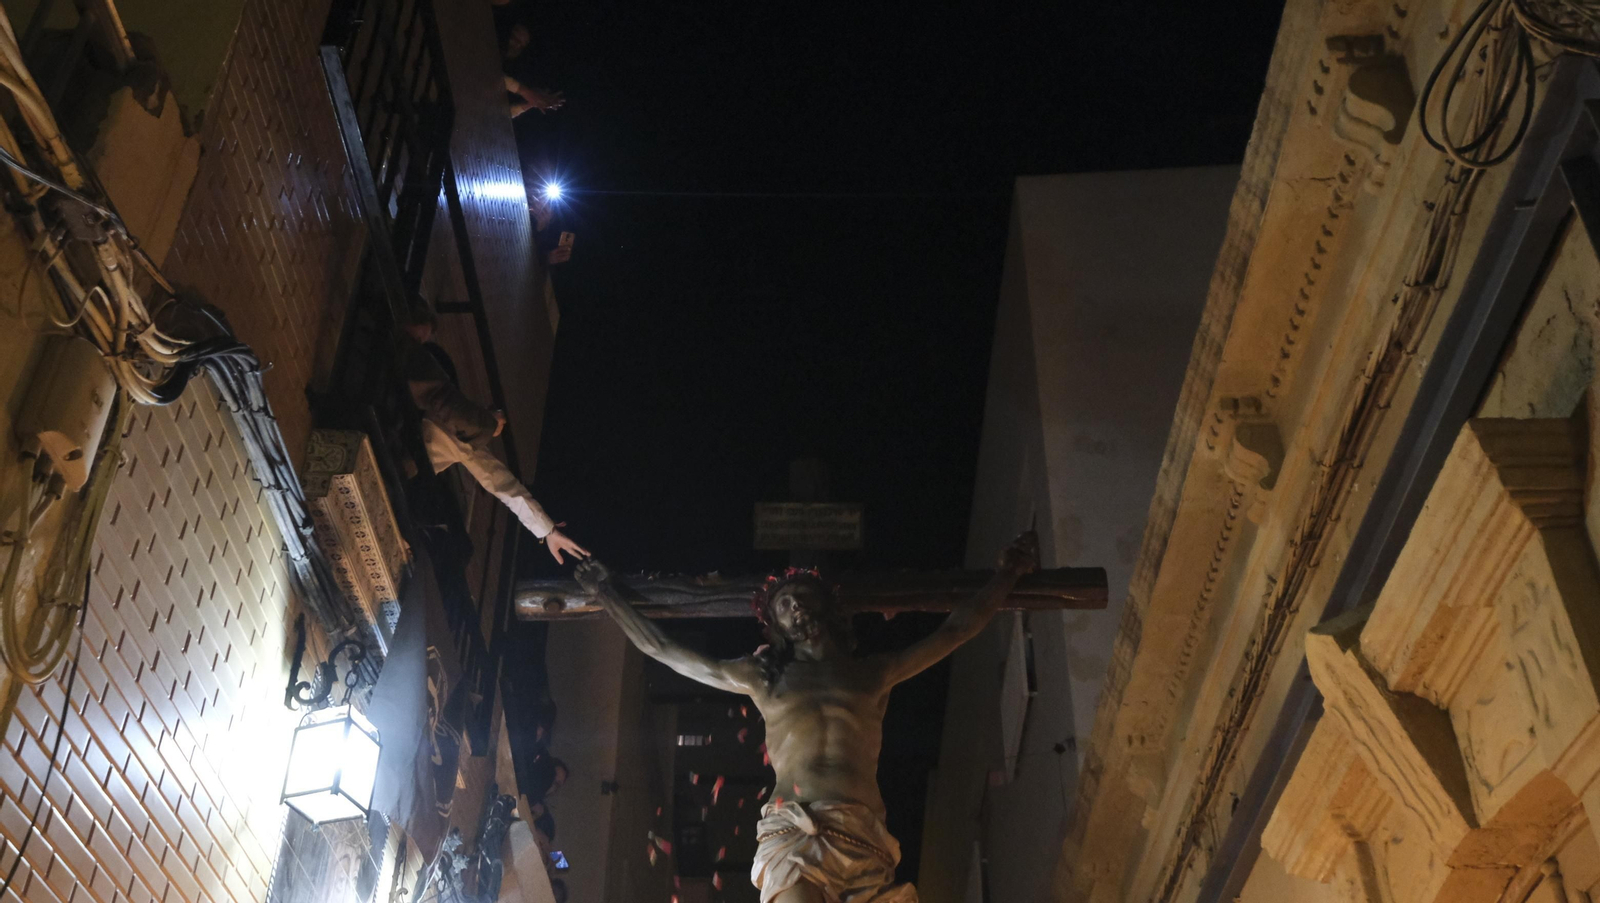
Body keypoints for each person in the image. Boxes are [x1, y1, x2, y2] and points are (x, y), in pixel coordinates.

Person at [575, 532, 1040, 903]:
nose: (795, 605)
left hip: (861, 836)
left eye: (802, 596)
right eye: (784, 604)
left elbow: (956, 629)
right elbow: (662, 648)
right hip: (793, 833)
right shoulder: (764, 678)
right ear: (776, 626)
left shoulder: (874, 673)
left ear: (829, 608)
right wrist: (606, 592)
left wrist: (1008, 574)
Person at [400, 306, 588, 563]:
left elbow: (504, 485)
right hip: (398, 461)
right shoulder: (459, 428)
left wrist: (547, 530)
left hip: (402, 465)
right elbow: (501, 482)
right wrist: (490, 422)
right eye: (418, 338)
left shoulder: (462, 433)